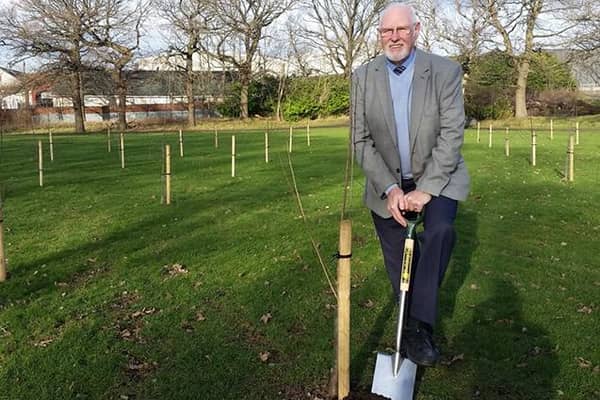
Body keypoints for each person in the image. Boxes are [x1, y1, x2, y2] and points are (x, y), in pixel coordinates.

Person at [352, 2, 470, 367]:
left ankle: (417, 327)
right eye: (387, 31)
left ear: (416, 30)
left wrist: (426, 190)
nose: (395, 37)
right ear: (379, 35)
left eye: (401, 29)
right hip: (387, 182)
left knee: (439, 233)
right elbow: (359, 140)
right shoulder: (362, 77)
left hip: (439, 177)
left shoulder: (444, 72)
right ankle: (417, 331)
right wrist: (390, 189)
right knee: (398, 259)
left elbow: (452, 135)